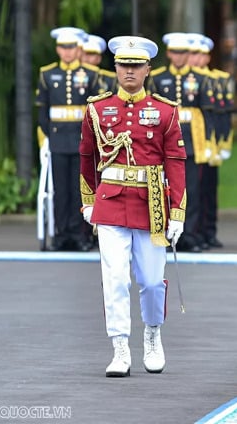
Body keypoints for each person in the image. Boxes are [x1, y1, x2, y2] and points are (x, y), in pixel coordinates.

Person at [79, 35, 187, 377]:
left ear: (147, 69)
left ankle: (153, 334)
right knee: (114, 279)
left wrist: (177, 211)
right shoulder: (96, 109)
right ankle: (120, 346)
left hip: (151, 204)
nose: (129, 71)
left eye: (136, 65)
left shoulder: (165, 111)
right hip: (110, 202)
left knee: (153, 281)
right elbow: (87, 156)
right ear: (115, 68)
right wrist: (87, 200)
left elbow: (176, 161)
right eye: (124, 65)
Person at [36, 26, 104, 251]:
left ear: (78, 49)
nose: (67, 52)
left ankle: (79, 234)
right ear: (58, 49)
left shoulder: (91, 75)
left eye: (71, 47)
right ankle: (61, 234)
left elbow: (96, 109)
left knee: (81, 189)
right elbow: (42, 110)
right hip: (57, 138)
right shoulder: (47, 74)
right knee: (60, 190)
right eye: (64, 48)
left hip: (82, 139)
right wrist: (47, 135)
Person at [147, 32, 214, 252]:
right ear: (168, 53)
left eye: (183, 52)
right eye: (175, 52)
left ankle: (191, 235)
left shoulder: (201, 78)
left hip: (192, 141)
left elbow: (208, 113)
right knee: (167, 190)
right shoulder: (157, 77)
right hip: (166, 141)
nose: (178, 56)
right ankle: (167, 232)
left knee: (192, 191)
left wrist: (209, 144)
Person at [189, 33, 233, 248]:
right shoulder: (188, 80)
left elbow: (222, 114)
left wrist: (222, 143)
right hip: (192, 141)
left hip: (210, 140)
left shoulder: (218, 79)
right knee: (194, 188)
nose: (196, 59)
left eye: (200, 55)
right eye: (193, 54)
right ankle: (196, 231)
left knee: (208, 189)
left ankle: (209, 230)